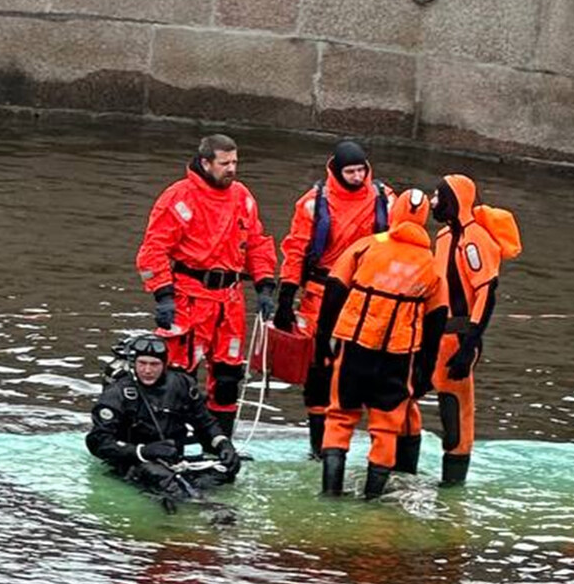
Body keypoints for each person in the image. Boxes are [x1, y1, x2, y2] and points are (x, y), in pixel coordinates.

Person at [135, 134, 278, 436]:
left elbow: (257, 244)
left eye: (235, 162)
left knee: (228, 377)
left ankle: (219, 443)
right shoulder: (179, 197)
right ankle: (169, 439)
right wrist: (163, 295)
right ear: (205, 163)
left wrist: (265, 285)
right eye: (224, 163)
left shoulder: (242, 197)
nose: (232, 169)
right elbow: (153, 250)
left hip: (229, 300)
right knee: (178, 375)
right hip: (188, 298)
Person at [313, 191, 447, 499]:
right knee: (386, 429)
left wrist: (323, 340)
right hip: (398, 359)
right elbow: (436, 322)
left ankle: (330, 493)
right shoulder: (431, 263)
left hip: (355, 348)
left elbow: (334, 290)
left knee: (339, 418)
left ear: (396, 213)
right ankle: (372, 500)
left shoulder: (367, 246)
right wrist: (425, 371)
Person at [273, 140, 397, 458]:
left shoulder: (384, 198)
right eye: (350, 171)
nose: (357, 176)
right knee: (318, 370)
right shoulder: (313, 203)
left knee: (363, 368)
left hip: (368, 295)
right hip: (320, 293)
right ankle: (319, 447)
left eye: (361, 170)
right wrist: (286, 294)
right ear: (336, 170)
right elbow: (297, 248)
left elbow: (402, 238)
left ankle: (353, 441)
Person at [430, 174, 522, 487]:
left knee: (455, 416)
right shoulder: (443, 237)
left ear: (454, 201)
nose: (432, 202)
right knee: (400, 401)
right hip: (431, 337)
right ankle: (399, 468)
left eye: (438, 197)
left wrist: (468, 345)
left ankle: (452, 486)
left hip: (458, 338)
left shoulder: (475, 239)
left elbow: (486, 292)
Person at [86, 335, 241, 501]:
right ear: (133, 364)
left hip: (175, 456)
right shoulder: (117, 394)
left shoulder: (182, 385)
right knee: (161, 478)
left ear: (165, 364)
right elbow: (98, 441)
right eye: (142, 363)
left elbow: (205, 422)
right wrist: (142, 451)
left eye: (154, 364)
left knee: (227, 470)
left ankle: (204, 501)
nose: (147, 370)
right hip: (135, 458)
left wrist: (223, 444)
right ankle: (202, 510)